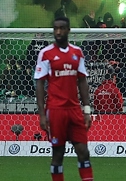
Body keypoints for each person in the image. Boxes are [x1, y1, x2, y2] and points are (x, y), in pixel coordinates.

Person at [35, 16, 94, 181]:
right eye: (55, 28)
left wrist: (87, 110)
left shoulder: (77, 53)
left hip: (74, 110)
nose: (58, 32)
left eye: (61, 28)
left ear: (68, 30)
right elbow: (39, 83)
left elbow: (82, 80)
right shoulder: (45, 54)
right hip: (55, 111)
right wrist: (41, 114)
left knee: (83, 151)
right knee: (58, 153)